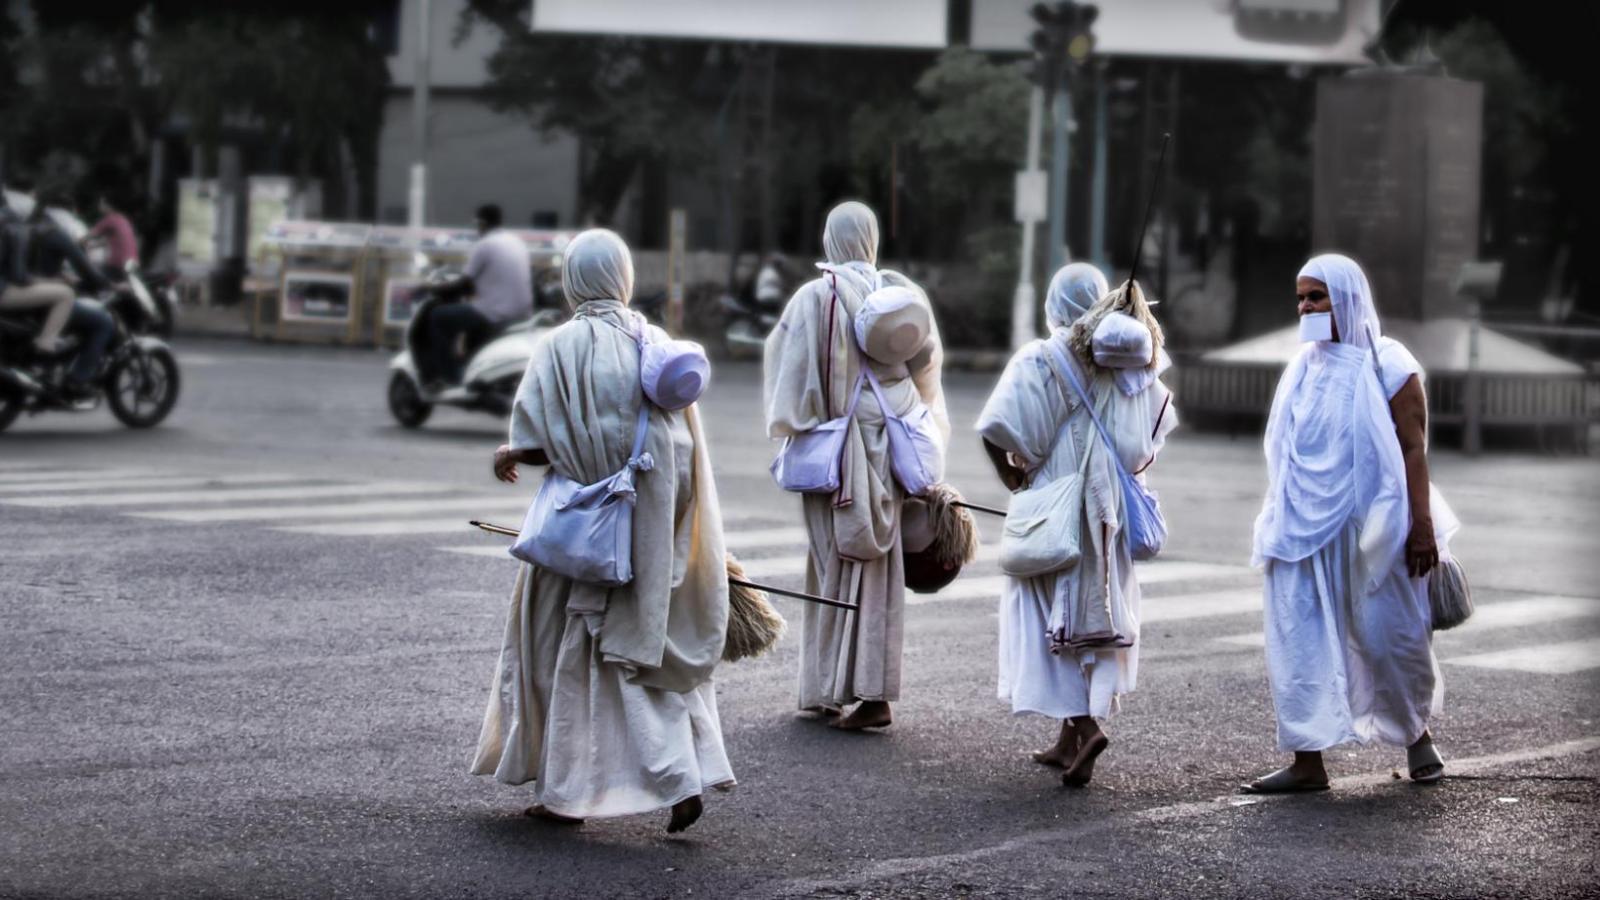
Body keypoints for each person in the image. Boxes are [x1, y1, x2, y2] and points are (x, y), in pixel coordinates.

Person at [471, 229, 734, 833]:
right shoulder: (658, 344)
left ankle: (568, 792)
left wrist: (508, 453)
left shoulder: (559, 347)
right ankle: (686, 769)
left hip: (582, 538)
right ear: (623, 276)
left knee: (570, 652)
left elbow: (540, 445)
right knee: (644, 649)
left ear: (572, 279)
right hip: (648, 528)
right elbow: (682, 450)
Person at [1243, 253, 1453, 793]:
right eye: (1300, 298)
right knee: (1297, 639)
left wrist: (1422, 525)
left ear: (1347, 297)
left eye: (1317, 296)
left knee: (1389, 634)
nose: (1305, 306)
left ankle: (1416, 735)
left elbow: (1413, 447)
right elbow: (1287, 451)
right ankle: (1307, 760)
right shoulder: (1301, 368)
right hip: (1299, 528)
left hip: (1373, 528)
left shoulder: (1388, 360)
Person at [976, 263, 1177, 786]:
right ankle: (1072, 736)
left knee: (1049, 608)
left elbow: (996, 429)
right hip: (1106, 502)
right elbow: (1148, 441)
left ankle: (1085, 728)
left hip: (1056, 496)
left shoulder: (1041, 358)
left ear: (1054, 305)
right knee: (1097, 605)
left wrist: (1015, 480)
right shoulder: (1123, 360)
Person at [763, 201, 949, 730]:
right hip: (887, 445)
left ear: (830, 238)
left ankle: (832, 687)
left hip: (834, 452)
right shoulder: (902, 296)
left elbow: (792, 386)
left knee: (829, 562)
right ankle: (871, 691)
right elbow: (925, 370)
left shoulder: (815, 298)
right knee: (879, 567)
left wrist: (806, 420)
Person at [421, 204, 531, 390]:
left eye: (477, 225)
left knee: (438, 316)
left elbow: (464, 284)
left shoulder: (485, 245)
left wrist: (433, 289)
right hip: (522, 311)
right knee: (468, 316)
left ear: (482, 223)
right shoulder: (515, 242)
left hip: (495, 311)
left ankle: (449, 377)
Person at [84, 193, 140, 278]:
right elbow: (112, 241)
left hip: (118, 264)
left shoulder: (110, 219)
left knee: (91, 277)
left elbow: (88, 237)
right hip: (133, 263)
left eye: (101, 203)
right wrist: (92, 246)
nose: (99, 206)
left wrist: (73, 242)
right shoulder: (123, 219)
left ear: (108, 205)